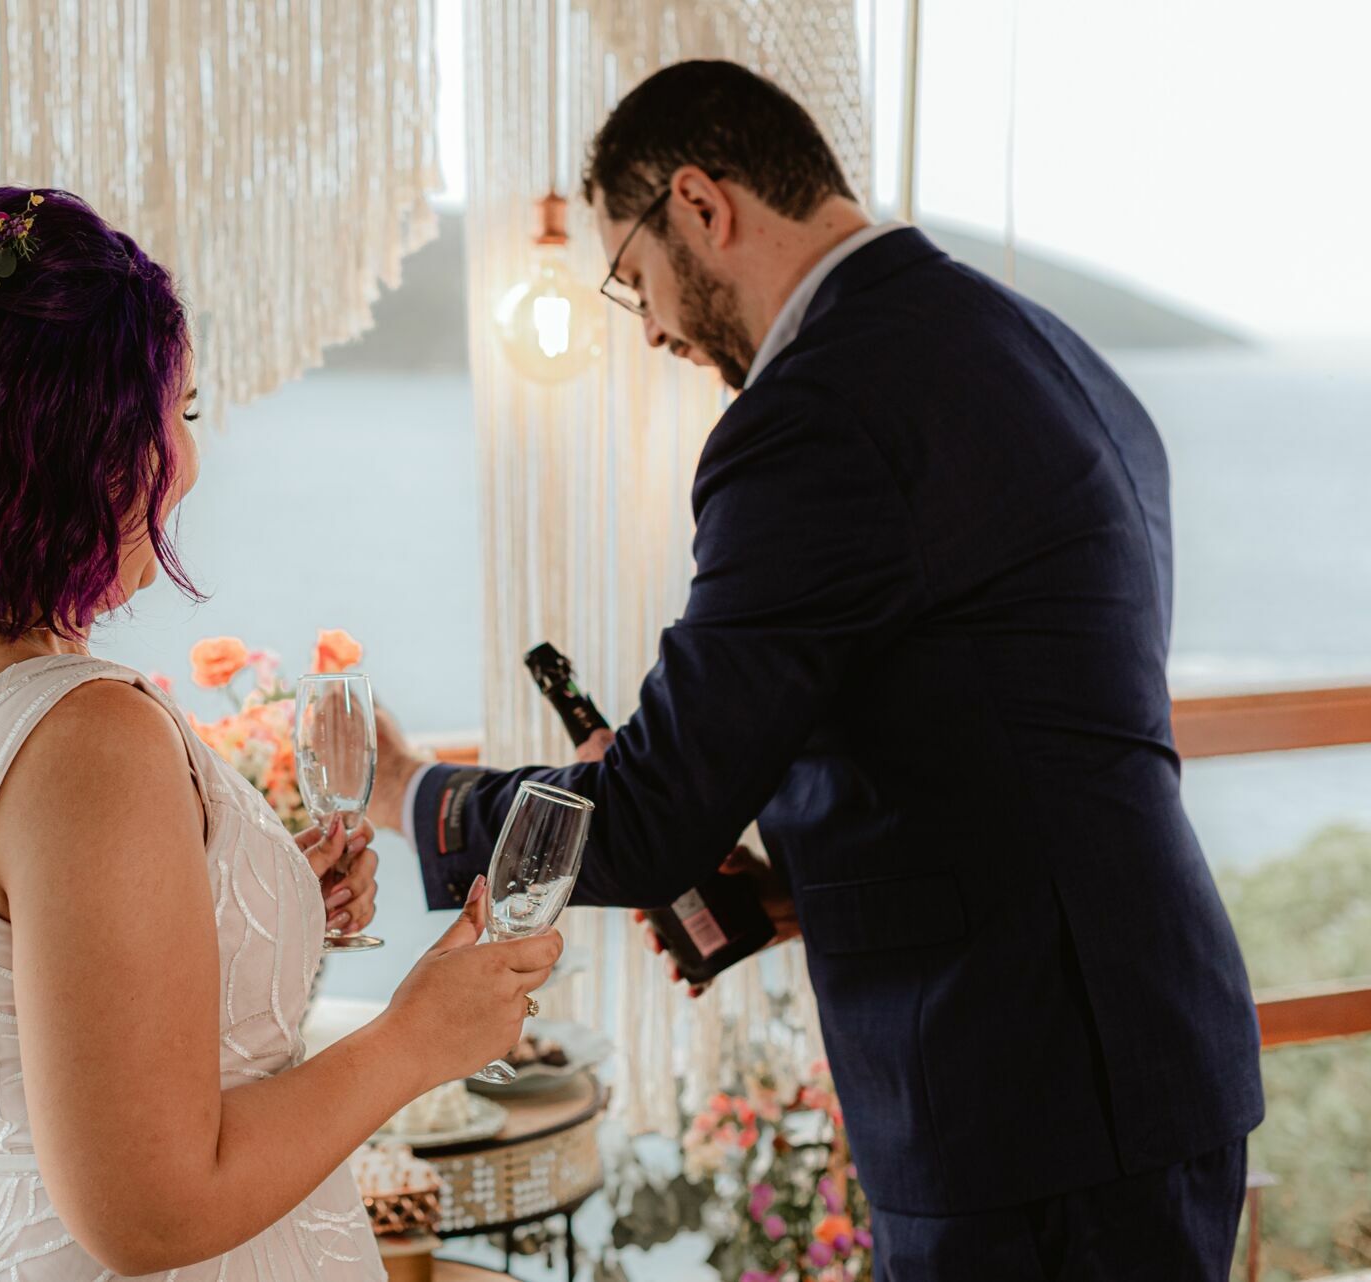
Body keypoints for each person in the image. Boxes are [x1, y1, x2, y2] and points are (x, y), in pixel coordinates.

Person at [372, 61, 1263, 1281]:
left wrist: (408, 792)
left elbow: (646, 821)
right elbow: (1021, 715)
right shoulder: (1037, 345)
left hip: (1024, 1099)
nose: (659, 333)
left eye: (635, 283)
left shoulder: (816, 411)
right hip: (1150, 1057)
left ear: (700, 203)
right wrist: (814, 884)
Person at [0, 187, 562, 1282]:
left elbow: (32, 990)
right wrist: (416, 1038)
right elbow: (149, 1212)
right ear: (72, 438)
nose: (187, 461)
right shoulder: (89, 734)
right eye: (178, 414)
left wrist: (247, 906)